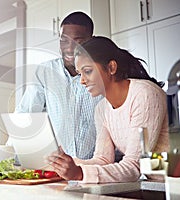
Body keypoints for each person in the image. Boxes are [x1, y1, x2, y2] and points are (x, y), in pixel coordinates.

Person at [47, 36, 170, 183]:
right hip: (157, 182)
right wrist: (63, 165)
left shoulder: (144, 94)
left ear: (111, 67)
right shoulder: (102, 109)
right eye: (80, 74)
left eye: (87, 71)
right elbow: (103, 159)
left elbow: (134, 166)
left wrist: (80, 173)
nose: (82, 81)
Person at [11, 12, 102, 159]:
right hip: (58, 169)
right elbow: (25, 114)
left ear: (91, 40)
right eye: (64, 41)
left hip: (98, 167)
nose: (70, 48)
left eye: (78, 41)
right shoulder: (44, 72)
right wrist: (11, 157)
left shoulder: (102, 73)